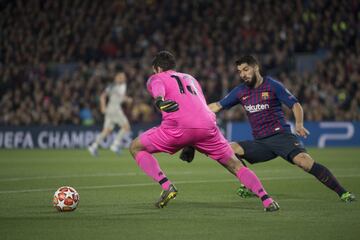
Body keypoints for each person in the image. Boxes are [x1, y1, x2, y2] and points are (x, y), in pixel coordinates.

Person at [182, 55, 355, 202]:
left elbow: (295, 105)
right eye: (240, 71)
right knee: (228, 149)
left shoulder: (272, 85)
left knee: (305, 163)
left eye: (246, 69)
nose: (243, 74)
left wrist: (300, 124)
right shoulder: (240, 91)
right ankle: (248, 183)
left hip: (282, 138)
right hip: (261, 143)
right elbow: (218, 106)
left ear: (256, 68)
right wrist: (197, 111)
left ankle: (343, 192)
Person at [129, 51, 279, 211]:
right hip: (207, 126)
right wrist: (191, 144)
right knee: (236, 165)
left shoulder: (156, 77)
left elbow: (157, 87)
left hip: (177, 127)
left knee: (135, 147)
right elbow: (197, 107)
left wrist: (160, 101)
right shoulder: (191, 78)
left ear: (157, 68)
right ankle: (267, 200)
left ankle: (166, 186)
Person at [88, 71, 131, 156]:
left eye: (124, 77)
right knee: (126, 127)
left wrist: (103, 107)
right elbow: (104, 97)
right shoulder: (120, 86)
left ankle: (93, 146)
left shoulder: (112, 86)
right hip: (115, 109)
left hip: (110, 109)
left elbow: (104, 96)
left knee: (107, 130)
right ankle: (115, 144)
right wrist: (128, 99)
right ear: (117, 78)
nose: (123, 78)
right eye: (121, 77)